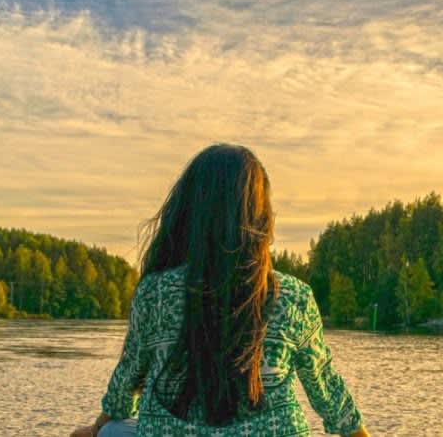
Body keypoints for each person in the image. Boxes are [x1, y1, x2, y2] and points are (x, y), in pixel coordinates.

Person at [71, 144, 370, 437]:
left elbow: (126, 384)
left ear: (188, 211)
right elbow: (328, 392)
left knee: (112, 431)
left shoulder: (156, 292)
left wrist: (95, 429)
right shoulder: (292, 297)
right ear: (260, 216)